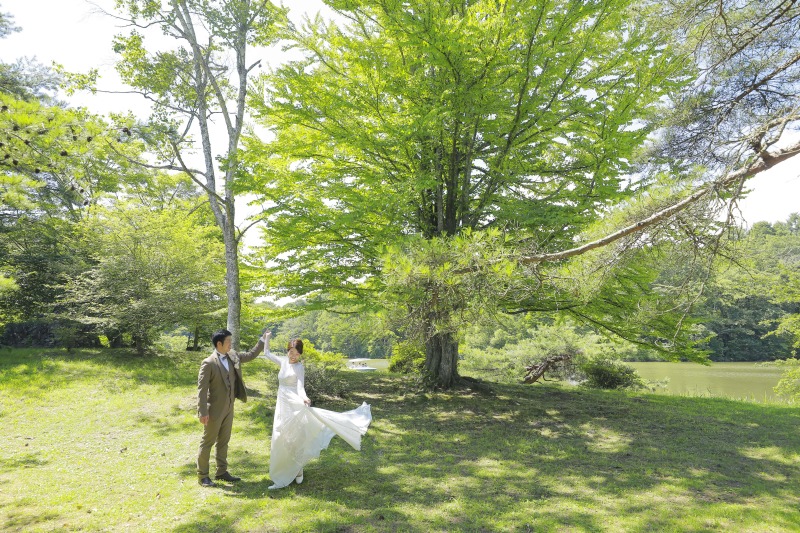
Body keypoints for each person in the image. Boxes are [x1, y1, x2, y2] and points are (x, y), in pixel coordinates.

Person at [261, 332, 372, 489]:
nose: (293, 356)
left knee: (295, 436)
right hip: (282, 404)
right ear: (287, 351)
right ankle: (285, 471)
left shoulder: (299, 367)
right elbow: (266, 353)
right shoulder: (283, 362)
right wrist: (267, 338)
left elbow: (300, 386)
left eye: (297, 354)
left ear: (300, 354)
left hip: (294, 404)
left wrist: (304, 398)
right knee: (281, 436)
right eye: (291, 352)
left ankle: (297, 470)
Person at [196, 328, 265, 487]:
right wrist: (202, 412)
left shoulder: (233, 356)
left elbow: (251, 355)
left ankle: (221, 471)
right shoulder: (208, 363)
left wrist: (262, 340)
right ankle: (203, 476)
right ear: (219, 344)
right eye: (228, 341)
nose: (231, 344)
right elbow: (202, 390)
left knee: (224, 441)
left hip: (229, 407)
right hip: (213, 410)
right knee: (207, 442)